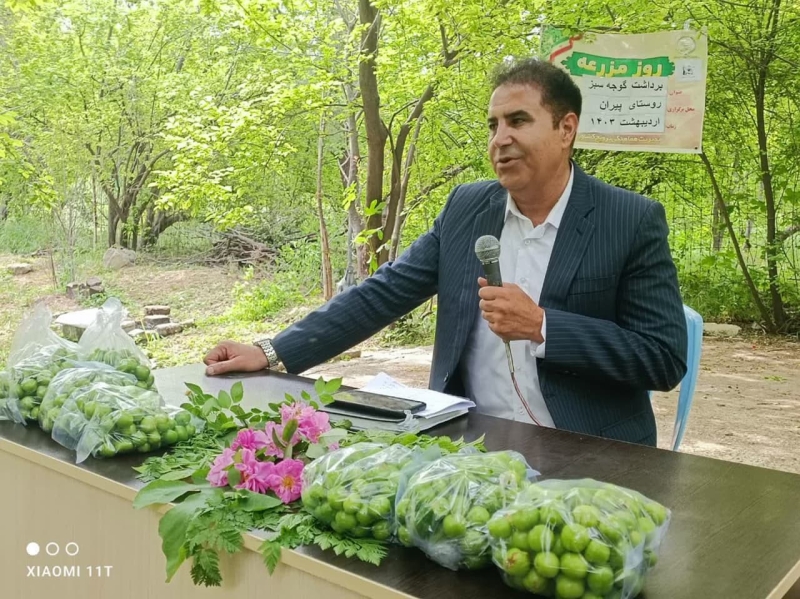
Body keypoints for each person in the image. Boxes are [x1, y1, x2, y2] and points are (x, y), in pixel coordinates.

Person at [204, 58, 688, 446]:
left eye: (518, 121)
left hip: (589, 453)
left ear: (566, 129)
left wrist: (544, 326)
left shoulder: (630, 220)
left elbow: (664, 357)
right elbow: (382, 294)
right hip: (468, 446)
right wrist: (272, 352)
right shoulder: (466, 209)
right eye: (493, 125)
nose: (500, 139)